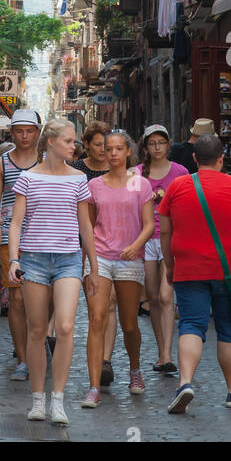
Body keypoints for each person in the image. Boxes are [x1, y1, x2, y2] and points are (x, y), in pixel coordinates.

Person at [158, 134, 231, 413]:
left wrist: (169, 265)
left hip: (189, 268)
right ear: (222, 158)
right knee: (229, 330)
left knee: (192, 325)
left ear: (194, 158)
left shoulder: (177, 187)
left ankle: (185, 383)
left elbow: (166, 231)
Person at [7, 117, 99, 427]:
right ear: (51, 143)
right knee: (36, 330)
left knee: (65, 326)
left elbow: (86, 226)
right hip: (32, 260)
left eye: (74, 141)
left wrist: (94, 269)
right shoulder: (29, 178)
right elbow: (16, 223)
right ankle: (37, 400)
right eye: (69, 141)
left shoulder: (78, 179)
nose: (75, 146)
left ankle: (58, 400)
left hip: (69, 260)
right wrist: (13, 261)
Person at [82, 131, 155, 407]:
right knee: (97, 319)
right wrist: (86, 263)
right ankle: (93, 386)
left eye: (118, 149)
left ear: (127, 152)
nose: (112, 153)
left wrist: (136, 245)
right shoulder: (95, 186)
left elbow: (149, 223)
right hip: (99, 257)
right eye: (108, 148)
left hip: (129, 258)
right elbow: (88, 225)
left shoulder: (140, 184)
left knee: (129, 324)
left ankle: (135, 370)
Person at [0, 107, 41, 381]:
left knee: (41, 299)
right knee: (17, 299)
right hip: (11, 236)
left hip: (42, 238)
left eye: (29, 131)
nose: (24, 136)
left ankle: (38, 343)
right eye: (19, 131)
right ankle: (23, 359)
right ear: (12, 133)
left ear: (38, 133)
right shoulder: (2, 164)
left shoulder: (46, 161)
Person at [140, 123, 189, 374]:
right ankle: (161, 353)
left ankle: (168, 355)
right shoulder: (137, 173)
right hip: (146, 240)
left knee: (166, 296)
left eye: (161, 142)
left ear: (168, 145)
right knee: (153, 298)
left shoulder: (180, 172)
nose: (157, 147)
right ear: (146, 147)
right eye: (152, 143)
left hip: (172, 238)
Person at [74, 119, 118, 386]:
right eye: (99, 144)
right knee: (85, 301)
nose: (104, 150)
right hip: (77, 241)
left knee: (108, 303)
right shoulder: (76, 171)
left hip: (109, 242)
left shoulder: (118, 171)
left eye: (108, 145)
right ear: (87, 145)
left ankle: (105, 361)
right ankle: (52, 341)